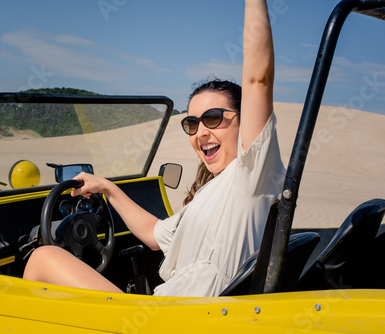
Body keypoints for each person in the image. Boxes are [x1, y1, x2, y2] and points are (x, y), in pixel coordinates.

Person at [23, 0, 286, 297]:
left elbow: (258, 79)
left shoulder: (252, 176)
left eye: (213, 118)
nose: (201, 132)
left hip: (173, 320)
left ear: (246, 120)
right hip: (168, 313)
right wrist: (107, 188)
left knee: (43, 257)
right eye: (191, 123)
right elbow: (153, 235)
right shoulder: (218, 192)